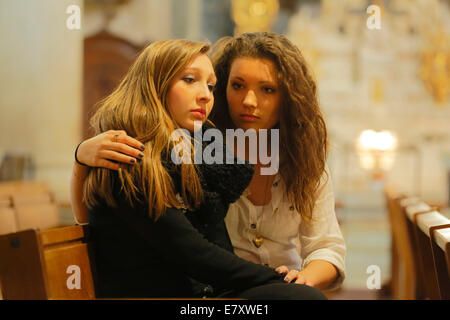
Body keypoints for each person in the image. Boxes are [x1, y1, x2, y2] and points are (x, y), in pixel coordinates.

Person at [72, 38, 327, 299]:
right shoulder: (130, 155)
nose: (206, 95)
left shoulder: (199, 152)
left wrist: (283, 281)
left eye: (211, 85)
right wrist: (278, 279)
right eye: (190, 80)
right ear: (155, 84)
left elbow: (217, 247)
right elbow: (193, 254)